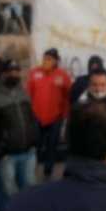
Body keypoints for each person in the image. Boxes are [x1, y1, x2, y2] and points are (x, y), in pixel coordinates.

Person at [0, 60, 39, 211]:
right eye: (10, 71)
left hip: (28, 153)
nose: (14, 74)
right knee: (7, 192)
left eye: (16, 71)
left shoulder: (23, 93)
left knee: (29, 190)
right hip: (7, 156)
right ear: (3, 74)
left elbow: (31, 119)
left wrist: (34, 141)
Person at [26, 48, 72, 181]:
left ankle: (48, 172)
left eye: (49, 59)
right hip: (36, 117)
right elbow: (28, 94)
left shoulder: (62, 75)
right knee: (36, 145)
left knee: (52, 146)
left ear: (56, 61)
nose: (46, 61)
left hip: (55, 118)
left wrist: (64, 115)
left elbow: (67, 97)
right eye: (45, 58)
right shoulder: (34, 73)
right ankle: (32, 169)